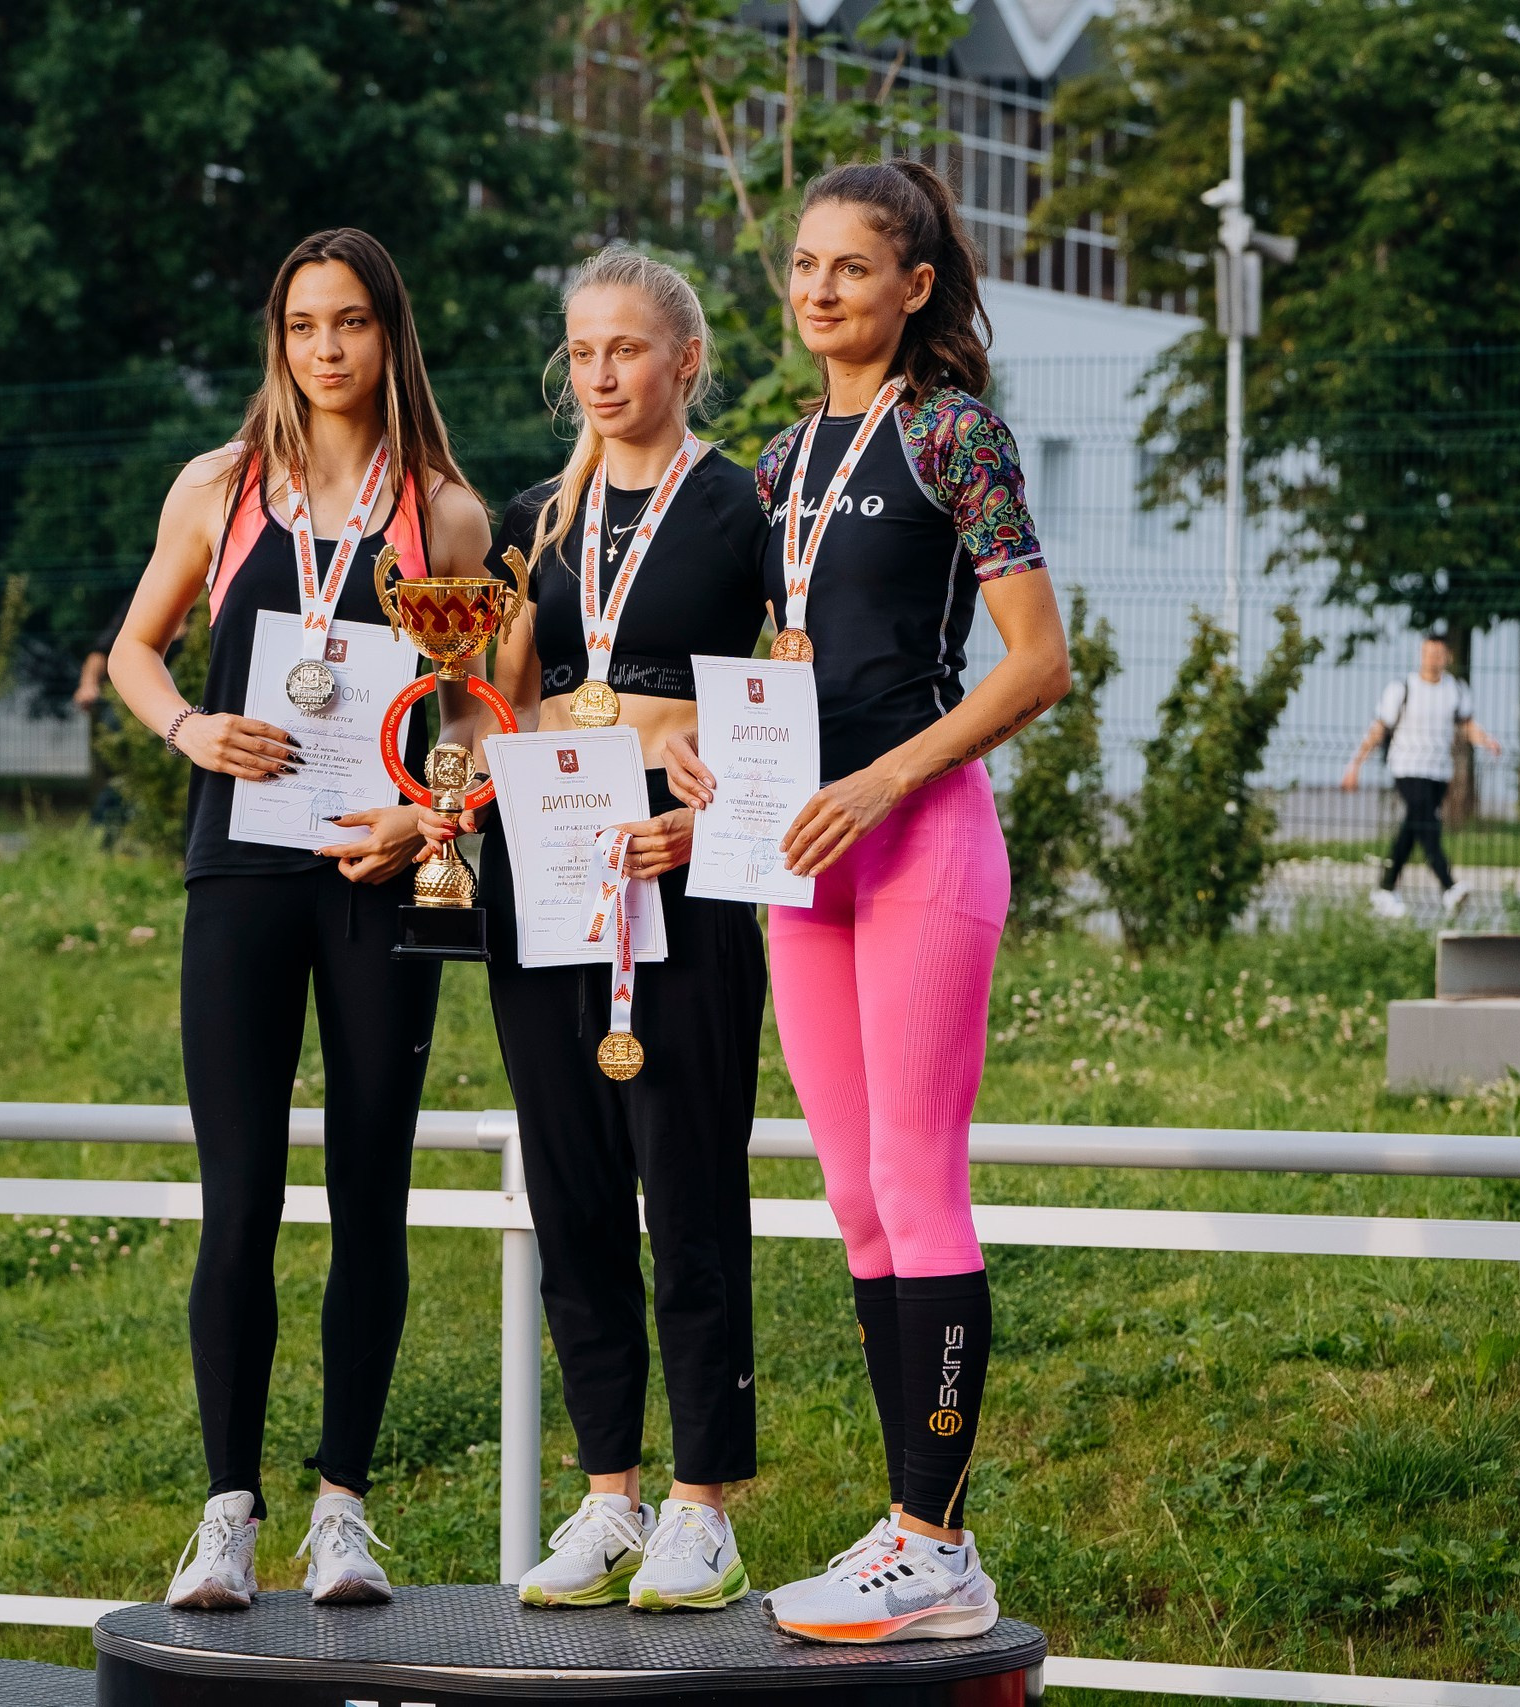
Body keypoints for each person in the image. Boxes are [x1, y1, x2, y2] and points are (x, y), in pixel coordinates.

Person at [668, 161, 1070, 1644]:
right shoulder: (778, 460)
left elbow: (1037, 660)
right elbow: (767, 660)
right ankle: (917, 1527)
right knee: (852, 1198)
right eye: (803, 264)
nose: (819, 287)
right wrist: (707, 753)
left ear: (915, 288)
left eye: (853, 267)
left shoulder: (950, 432)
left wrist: (884, 779)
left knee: (919, 1180)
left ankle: (933, 1537)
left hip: (918, 841)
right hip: (799, 854)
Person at [109, 227, 492, 1609]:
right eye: (301, 326)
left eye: (348, 324)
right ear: (278, 341)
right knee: (240, 1199)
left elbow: (470, 720)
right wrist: (192, 725)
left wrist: (425, 812)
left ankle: (343, 1504)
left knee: (370, 1192)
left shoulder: (443, 514)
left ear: (391, 335)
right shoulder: (219, 488)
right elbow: (134, 649)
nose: (323, 350)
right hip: (242, 873)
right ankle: (227, 1509)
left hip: (379, 880)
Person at [426, 249, 771, 1612]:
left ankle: (706, 1505)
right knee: (569, 1191)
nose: (601, 375)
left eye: (626, 349)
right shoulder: (536, 518)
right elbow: (479, 702)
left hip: (679, 874)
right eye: (580, 353)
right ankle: (611, 1492)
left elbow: (784, 714)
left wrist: (709, 820)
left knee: (686, 1186)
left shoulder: (747, 508)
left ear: (685, 360)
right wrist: (439, 807)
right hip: (545, 868)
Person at [1340, 631, 1503, 920]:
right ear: (1421, 654)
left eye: (1438, 654)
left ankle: (1385, 889)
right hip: (1407, 767)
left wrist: (1486, 741)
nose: (1433, 659)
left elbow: (1466, 725)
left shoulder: (1456, 689)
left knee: (1414, 827)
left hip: (1438, 771)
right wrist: (1355, 765)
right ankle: (1448, 885)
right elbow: (1379, 728)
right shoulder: (1402, 688)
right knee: (1426, 823)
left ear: (1447, 657)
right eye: (1428, 653)